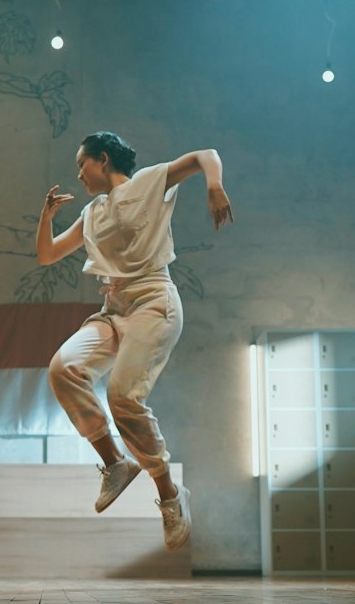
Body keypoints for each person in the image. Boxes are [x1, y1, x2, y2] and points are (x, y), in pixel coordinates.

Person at [37, 132, 234, 550]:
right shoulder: (93, 212)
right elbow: (48, 255)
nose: (78, 174)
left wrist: (214, 185)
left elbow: (205, 152)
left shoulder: (148, 181)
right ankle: (115, 463)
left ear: (103, 159)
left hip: (153, 300)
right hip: (113, 309)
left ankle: (170, 495)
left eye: (82, 165)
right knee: (63, 368)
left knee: (123, 395)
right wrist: (46, 218)